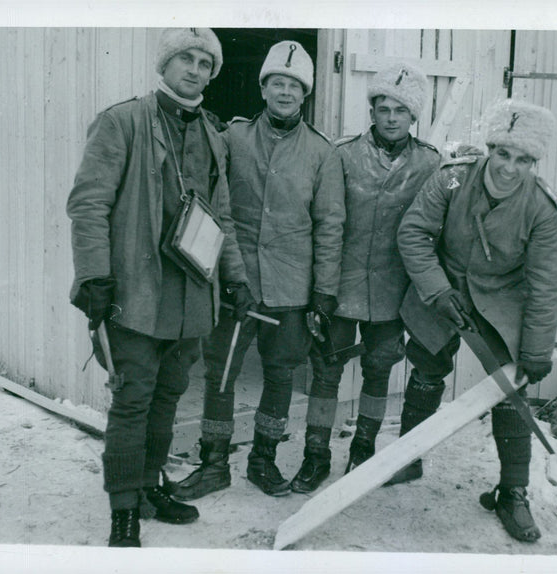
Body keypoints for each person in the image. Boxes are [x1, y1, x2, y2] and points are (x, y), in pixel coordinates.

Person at [67, 28, 252, 547]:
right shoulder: (121, 122)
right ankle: (124, 509)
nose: (195, 70)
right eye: (185, 59)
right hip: (136, 293)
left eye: (204, 64)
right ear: (165, 64)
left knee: (168, 397)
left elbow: (224, 218)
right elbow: (88, 205)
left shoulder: (215, 137)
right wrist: (94, 276)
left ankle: (150, 486)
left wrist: (235, 277)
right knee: (132, 399)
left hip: (193, 295)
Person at [170, 40, 345, 500]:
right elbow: (209, 200)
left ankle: (263, 460)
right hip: (235, 280)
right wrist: (223, 272)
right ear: (263, 87)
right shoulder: (233, 138)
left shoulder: (322, 153)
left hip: (293, 286)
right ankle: (213, 464)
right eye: (277, 83)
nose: (285, 92)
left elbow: (330, 227)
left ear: (305, 94)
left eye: (294, 86)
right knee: (221, 373)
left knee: (281, 374)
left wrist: (324, 293)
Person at [389, 99, 557, 543]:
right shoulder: (452, 178)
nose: (510, 168)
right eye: (503, 154)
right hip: (443, 285)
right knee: (427, 364)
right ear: (490, 148)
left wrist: (537, 349)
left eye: (523, 159)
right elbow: (413, 232)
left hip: (501, 297)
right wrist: (436, 290)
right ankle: (407, 457)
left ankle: (512, 492)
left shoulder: (542, 207)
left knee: (512, 385)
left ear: (534, 162)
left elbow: (546, 281)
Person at [287, 64, 440, 494]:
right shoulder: (343, 154)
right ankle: (315, 455)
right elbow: (328, 225)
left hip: (393, 293)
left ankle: (363, 450)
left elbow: (431, 230)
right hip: (341, 285)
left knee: (378, 370)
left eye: (401, 111)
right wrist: (323, 290)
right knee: (326, 369)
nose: (391, 118)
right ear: (372, 111)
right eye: (383, 108)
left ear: (414, 117)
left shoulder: (430, 162)